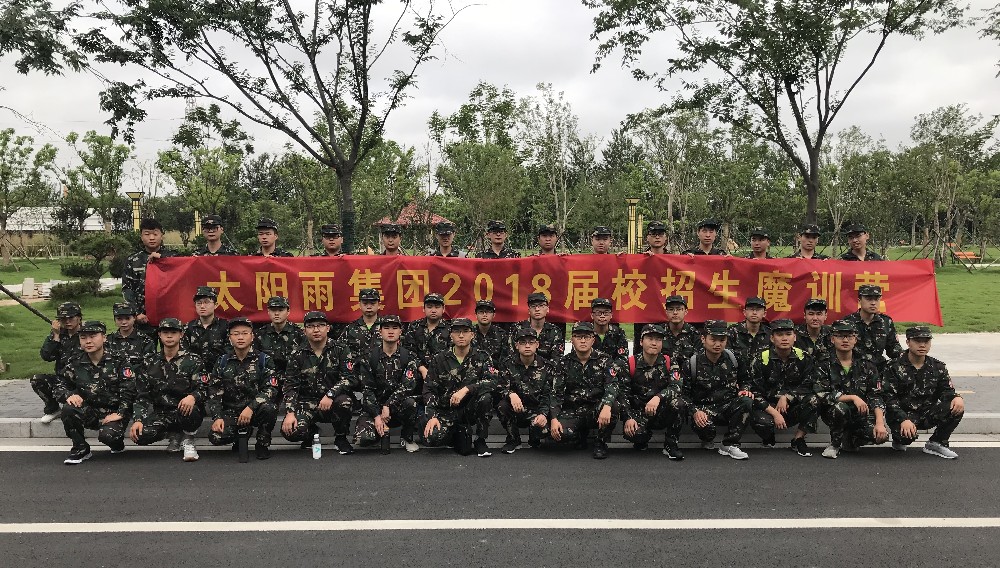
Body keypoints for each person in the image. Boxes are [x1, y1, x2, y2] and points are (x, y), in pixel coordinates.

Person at [56, 321, 135, 465]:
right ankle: (80, 448)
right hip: (90, 411)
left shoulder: (119, 360)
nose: (88, 341)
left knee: (108, 436)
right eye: (83, 337)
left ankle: (116, 443)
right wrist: (69, 394)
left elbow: (129, 389)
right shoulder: (75, 361)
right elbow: (60, 385)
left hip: (114, 412)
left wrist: (121, 413)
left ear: (104, 338)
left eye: (93, 336)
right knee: (68, 409)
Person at [280, 311, 358, 456]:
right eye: (311, 326)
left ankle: (341, 438)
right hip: (307, 403)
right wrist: (290, 412)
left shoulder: (340, 349)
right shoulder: (297, 354)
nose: (316, 330)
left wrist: (330, 394)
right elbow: (290, 385)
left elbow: (350, 377)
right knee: (290, 431)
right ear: (304, 330)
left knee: (345, 402)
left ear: (328, 328)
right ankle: (310, 433)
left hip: (333, 401)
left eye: (320, 326)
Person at [129, 318, 205, 462]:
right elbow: (142, 395)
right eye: (165, 332)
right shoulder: (149, 362)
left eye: (173, 332)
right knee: (140, 435)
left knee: (190, 408)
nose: (169, 336)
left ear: (181, 335)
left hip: (186, 410)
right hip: (162, 412)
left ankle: (188, 439)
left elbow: (204, 388)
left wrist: (193, 397)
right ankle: (174, 434)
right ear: (159, 335)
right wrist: (138, 419)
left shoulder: (193, 360)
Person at [883, 326, 964, 459]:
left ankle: (937, 442)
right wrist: (903, 419)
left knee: (956, 405)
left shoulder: (938, 366)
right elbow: (889, 398)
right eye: (917, 341)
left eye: (926, 341)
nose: (922, 345)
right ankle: (899, 439)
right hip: (903, 416)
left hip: (927, 412)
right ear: (908, 342)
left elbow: (946, 391)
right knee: (905, 440)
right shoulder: (893, 366)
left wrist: (957, 397)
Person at [204, 317, 279, 461]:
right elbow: (214, 392)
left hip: (255, 410)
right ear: (230, 338)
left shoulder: (263, 359)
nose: (240, 337)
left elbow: (270, 389)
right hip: (232, 411)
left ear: (252, 336)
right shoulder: (222, 361)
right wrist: (217, 417)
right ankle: (240, 436)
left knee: (269, 408)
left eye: (244, 333)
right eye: (235, 334)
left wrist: (251, 408)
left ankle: (262, 443)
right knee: (216, 437)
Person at [421, 318, 499, 457]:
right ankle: (456, 433)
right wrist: (432, 416)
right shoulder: (439, 359)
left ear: (472, 334)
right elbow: (429, 390)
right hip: (447, 410)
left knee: (486, 397)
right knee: (432, 438)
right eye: (457, 332)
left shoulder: (482, 357)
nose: (461, 335)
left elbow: (492, 382)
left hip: (470, 409)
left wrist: (467, 389)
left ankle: (480, 440)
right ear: (451, 335)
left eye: (465, 331)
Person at [679, 320, 753, 460]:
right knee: (707, 430)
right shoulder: (692, 363)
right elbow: (684, 395)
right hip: (704, 409)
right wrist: (695, 411)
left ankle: (730, 444)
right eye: (713, 339)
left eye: (722, 340)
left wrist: (745, 389)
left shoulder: (734, 359)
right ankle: (707, 439)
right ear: (703, 339)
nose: (717, 344)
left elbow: (746, 380)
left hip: (727, 405)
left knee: (746, 400)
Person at [549, 321, 622, 460]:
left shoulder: (604, 360)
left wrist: (606, 406)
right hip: (573, 409)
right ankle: (579, 435)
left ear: (593, 339)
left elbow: (612, 385)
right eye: (578, 336)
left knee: (614, 407)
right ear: (572, 339)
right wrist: (553, 418)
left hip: (596, 408)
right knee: (561, 435)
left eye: (587, 337)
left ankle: (601, 442)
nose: (583, 340)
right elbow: (556, 392)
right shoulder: (564, 363)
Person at [748, 319, 819, 457]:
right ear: (772, 338)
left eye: (788, 334)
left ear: (795, 337)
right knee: (759, 420)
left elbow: (809, 384)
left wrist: (787, 397)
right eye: (780, 335)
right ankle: (768, 437)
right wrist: (774, 413)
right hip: (768, 407)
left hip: (792, 406)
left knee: (815, 400)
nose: (784, 338)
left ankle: (798, 439)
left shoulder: (804, 357)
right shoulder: (761, 359)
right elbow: (754, 391)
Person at [818, 320, 887, 459]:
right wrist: (853, 397)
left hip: (860, 414)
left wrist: (880, 423)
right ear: (832, 339)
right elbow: (823, 394)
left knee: (880, 437)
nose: (845, 340)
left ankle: (851, 438)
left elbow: (876, 395)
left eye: (849, 336)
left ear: (855, 339)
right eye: (840, 336)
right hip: (834, 412)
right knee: (840, 408)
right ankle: (835, 444)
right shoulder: (824, 363)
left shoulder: (867, 364)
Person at [354, 315, 422, 453]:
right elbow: (367, 390)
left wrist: (388, 405)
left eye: (395, 328)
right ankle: (380, 432)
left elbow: (407, 386)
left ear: (400, 332)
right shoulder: (369, 357)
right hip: (376, 407)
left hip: (398, 407)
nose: (390, 331)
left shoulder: (408, 356)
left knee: (411, 402)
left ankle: (407, 437)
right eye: (386, 328)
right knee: (363, 439)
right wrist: (376, 416)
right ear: (380, 332)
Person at [621, 325, 686, 460]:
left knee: (678, 403)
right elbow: (623, 393)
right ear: (641, 342)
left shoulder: (669, 361)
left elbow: (676, 386)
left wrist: (658, 397)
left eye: (658, 340)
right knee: (636, 435)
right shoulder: (630, 363)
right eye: (650, 339)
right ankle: (642, 438)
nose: (654, 343)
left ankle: (671, 444)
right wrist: (628, 417)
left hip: (660, 411)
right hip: (639, 412)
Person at [495, 327, 553, 454]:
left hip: (536, 410)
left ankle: (535, 438)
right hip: (516, 409)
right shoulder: (507, 363)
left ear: (537, 345)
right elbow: (500, 387)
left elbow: (547, 394)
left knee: (544, 431)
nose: (527, 346)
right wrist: (511, 394)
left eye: (531, 342)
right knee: (502, 406)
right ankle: (513, 439)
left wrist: (543, 414)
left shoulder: (546, 366)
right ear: (517, 345)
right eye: (523, 342)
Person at [31, 301, 84, 423]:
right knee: (37, 380)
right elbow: (46, 356)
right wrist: (56, 336)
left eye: (71, 318)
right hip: (63, 379)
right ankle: (53, 409)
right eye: (63, 319)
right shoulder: (59, 334)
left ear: (79, 317)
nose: (67, 322)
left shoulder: (87, 334)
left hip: (83, 380)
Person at [122, 218, 178, 326]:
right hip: (143, 317)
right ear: (141, 237)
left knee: (170, 343)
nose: (151, 238)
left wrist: (163, 259)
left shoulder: (173, 257)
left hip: (169, 315)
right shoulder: (133, 260)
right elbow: (127, 289)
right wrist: (136, 313)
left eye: (155, 234)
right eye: (147, 234)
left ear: (162, 235)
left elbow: (184, 272)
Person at [844, 284, 903, 371]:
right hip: (855, 371)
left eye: (876, 299)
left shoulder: (886, 322)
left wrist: (909, 355)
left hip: (879, 369)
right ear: (859, 300)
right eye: (868, 299)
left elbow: (893, 348)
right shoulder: (847, 322)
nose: (873, 303)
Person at [403, 292, 452, 381]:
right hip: (418, 370)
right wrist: (421, 368)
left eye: (437, 307)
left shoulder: (450, 329)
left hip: (442, 372)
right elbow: (408, 352)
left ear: (443, 309)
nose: (433, 310)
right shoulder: (414, 327)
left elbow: (452, 354)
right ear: (423, 309)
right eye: (429, 307)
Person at [254, 295, 306, 377]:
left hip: (293, 380)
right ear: (268, 311)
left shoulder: (299, 333)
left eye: (281, 310)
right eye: (273, 310)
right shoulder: (260, 334)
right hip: (267, 380)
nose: (277, 313)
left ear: (288, 311)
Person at [182, 286, 229, 374]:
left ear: (215, 305)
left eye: (206, 302)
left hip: (219, 375)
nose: (202, 306)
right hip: (194, 375)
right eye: (199, 303)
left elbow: (229, 354)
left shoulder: (225, 327)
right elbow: (184, 354)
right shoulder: (188, 327)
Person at [105, 302, 155, 369]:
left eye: (127, 318)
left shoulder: (145, 340)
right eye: (119, 319)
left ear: (134, 318)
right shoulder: (108, 340)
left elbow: (150, 366)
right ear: (114, 320)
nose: (124, 322)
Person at [727, 296, 772, 364]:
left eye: (758, 309)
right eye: (751, 309)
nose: (754, 312)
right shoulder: (732, 332)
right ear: (744, 312)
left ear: (764, 314)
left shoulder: (770, 334)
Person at [340, 288, 383, 356]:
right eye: (365, 303)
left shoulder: (387, 327)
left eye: (373, 303)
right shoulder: (350, 329)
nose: (369, 306)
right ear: (359, 305)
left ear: (379, 305)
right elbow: (341, 352)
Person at [472, 300, 510, 364]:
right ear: (476, 315)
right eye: (481, 312)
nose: (484, 315)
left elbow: (505, 359)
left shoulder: (501, 334)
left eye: (488, 312)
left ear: (494, 315)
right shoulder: (469, 333)